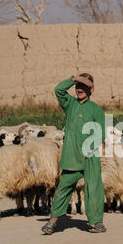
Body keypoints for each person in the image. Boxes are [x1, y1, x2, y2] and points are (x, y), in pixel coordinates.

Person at [41, 73, 106, 234]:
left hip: (89, 157)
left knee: (94, 188)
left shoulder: (96, 110)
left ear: (91, 89)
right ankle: (52, 221)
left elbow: (101, 133)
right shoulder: (70, 104)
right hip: (71, 156)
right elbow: (59, 90)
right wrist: (73, 80)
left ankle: (96, 223)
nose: (79, 89)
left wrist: (89, 148)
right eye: (78, 86)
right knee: (63, 188)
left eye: (83, 86)